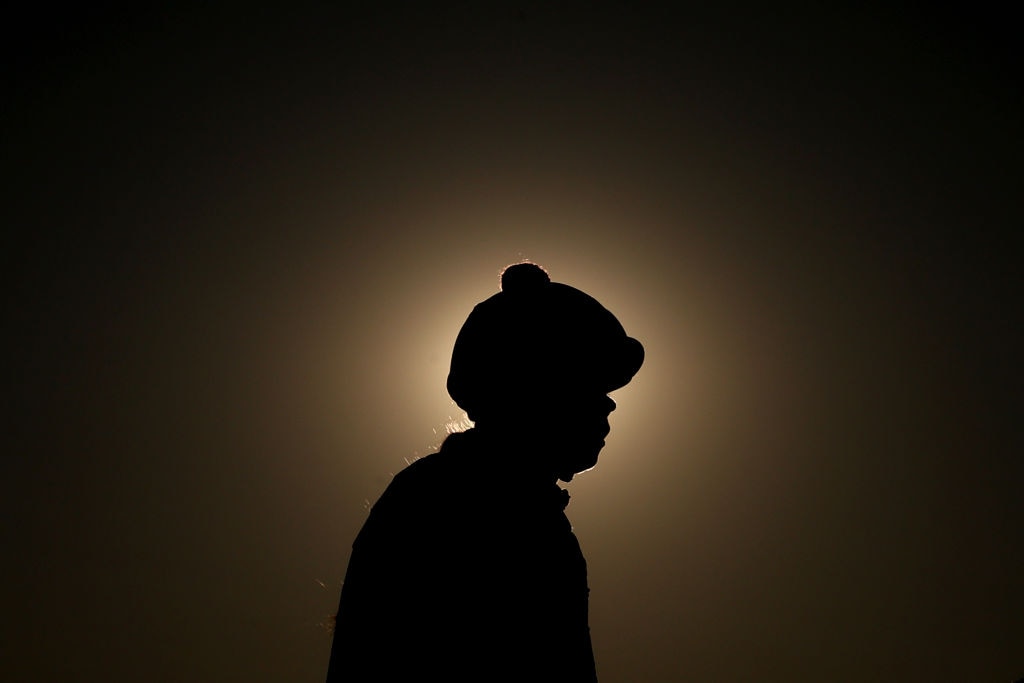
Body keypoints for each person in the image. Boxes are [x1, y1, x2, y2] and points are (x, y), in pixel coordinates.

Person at [326, 261, 644, 682]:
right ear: (533, 389)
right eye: (589, 386)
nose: (609, 405)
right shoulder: (448, 506)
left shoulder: (519, 510)